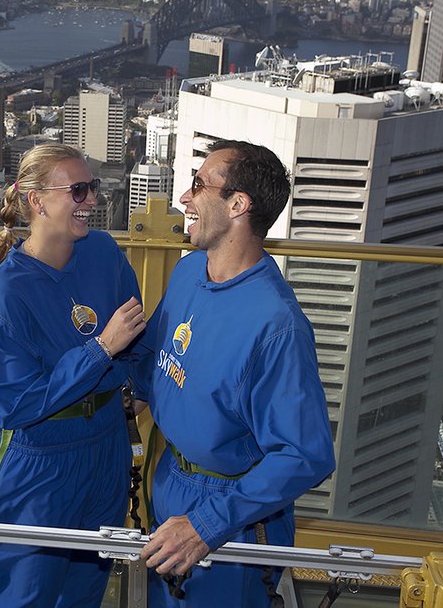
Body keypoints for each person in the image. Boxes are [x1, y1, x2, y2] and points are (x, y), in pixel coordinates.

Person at [132, 140, 336, 606]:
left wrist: (206, 524)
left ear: (238, 204)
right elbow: (153, 365)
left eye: (199, 185)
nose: (185, 197)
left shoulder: (276, 325)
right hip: (170, 487)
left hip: (232, 519)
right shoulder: (188, 273)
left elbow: (306, 455)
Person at [0, 143, 147, 606]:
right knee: (20, 595)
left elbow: (137, 339)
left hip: (106, 448)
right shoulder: (6, 293)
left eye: (94, 188)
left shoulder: (104, 252)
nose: (92, 201)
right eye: (78, 190)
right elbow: (16, 405)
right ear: (36, 200)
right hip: (42, 462)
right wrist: (99, 349)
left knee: (83, 594)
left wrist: (135, 389)